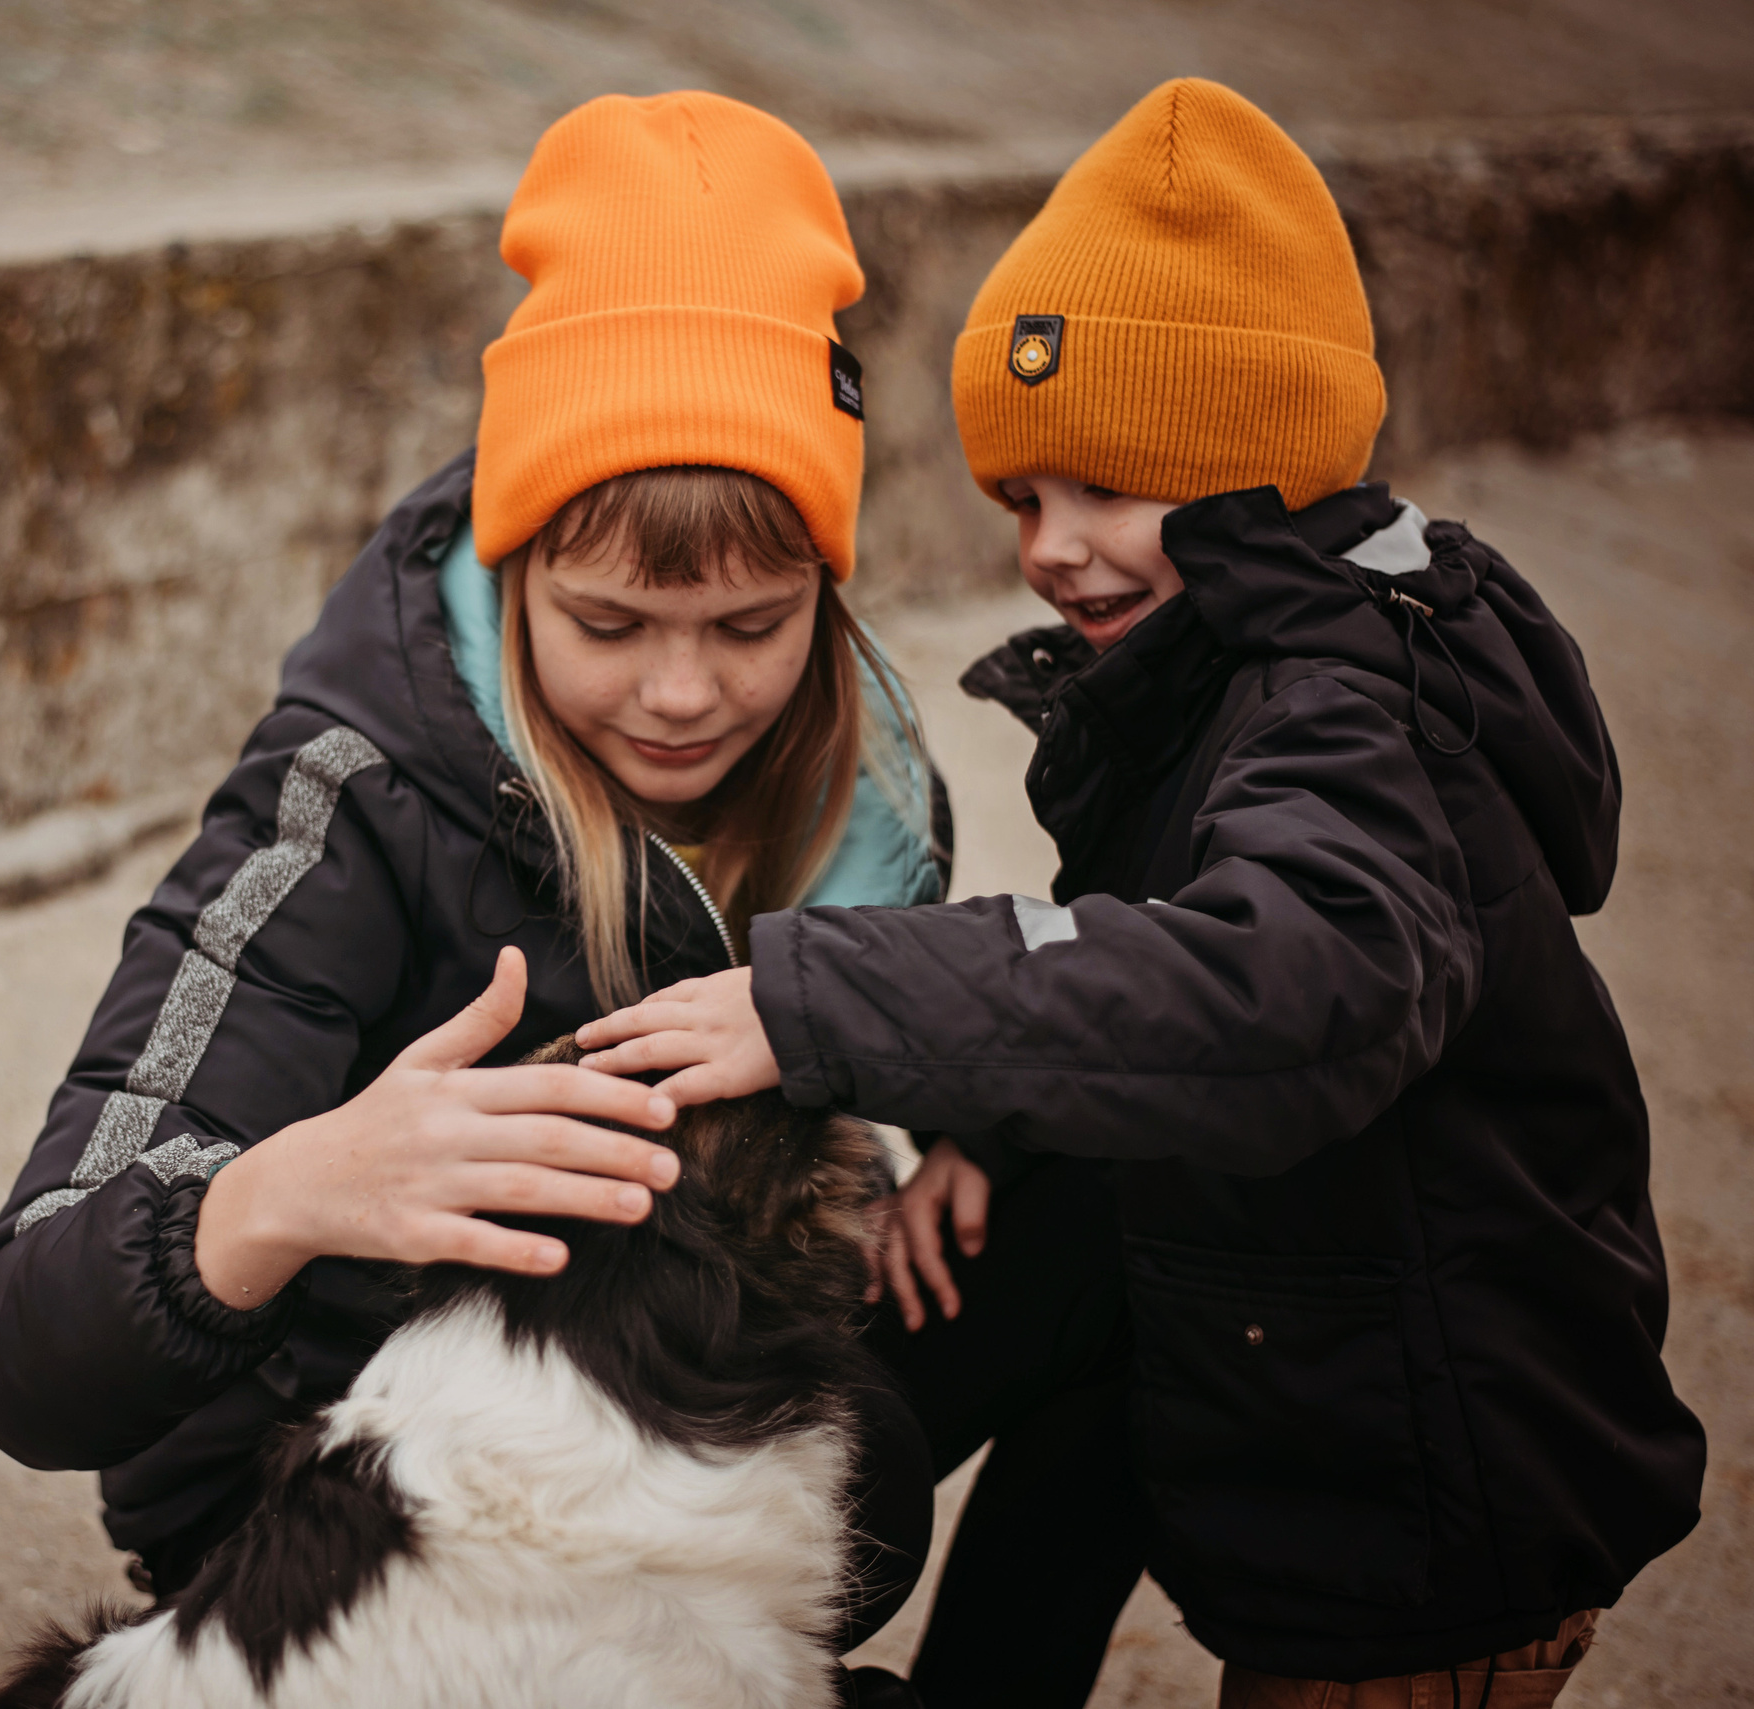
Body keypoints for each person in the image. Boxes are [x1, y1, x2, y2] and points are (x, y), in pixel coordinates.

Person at [577, 78, 1706, 1707]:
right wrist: (1003, 1127)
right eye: (1022, 499)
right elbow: (1144, 962)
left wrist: (823, 999)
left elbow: (1280, 985)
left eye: (1104, 486)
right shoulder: (1230, 669)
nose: (1048, 546)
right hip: (1327, 1423)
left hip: (1430, 1519)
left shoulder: (1353, 710)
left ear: (1263, 469)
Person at [0, 91, 971, 1682]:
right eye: (612, 624)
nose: (686, 695)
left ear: (827, 592)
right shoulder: (349, 797)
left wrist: (963, 1123)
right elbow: (14, 1347)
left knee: (1134, 1213)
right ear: (513, 567)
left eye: (754, 625)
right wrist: (296, 1189)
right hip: (325, 1509)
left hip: (683, 1446)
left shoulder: (880, 813)